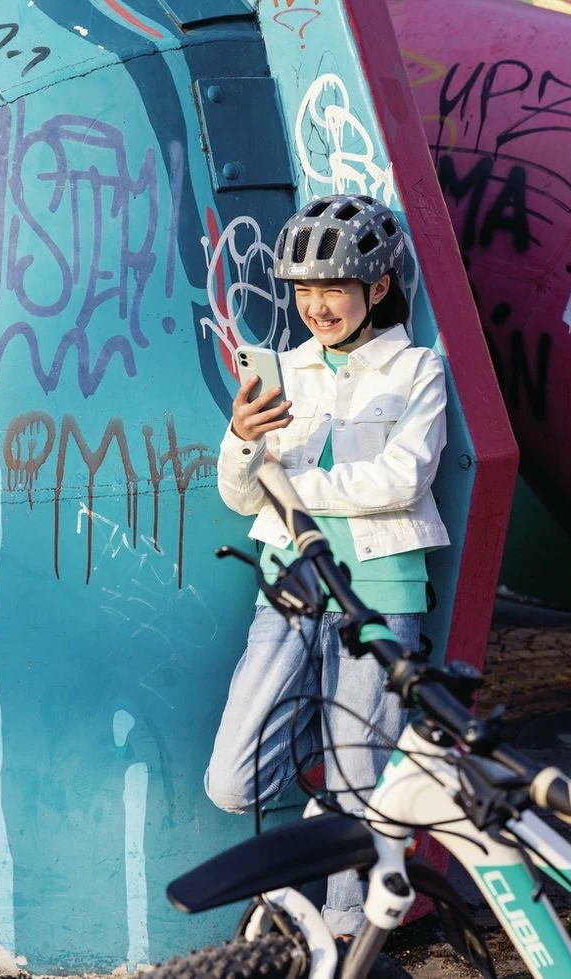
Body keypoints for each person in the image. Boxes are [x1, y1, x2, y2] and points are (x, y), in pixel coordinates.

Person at [203, 193, 450, 937]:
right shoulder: (287, 372)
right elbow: (239, 494)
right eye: (305, 290)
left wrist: (294, 488)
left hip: (380, 590)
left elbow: (403, 478)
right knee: (232, 777)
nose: (316, 305)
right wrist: (243, 439)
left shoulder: (417, 369)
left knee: (359, 779)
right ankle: (334, 778)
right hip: (290, 586)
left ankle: (347, 930)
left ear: (377, 287)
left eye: (334, 287)